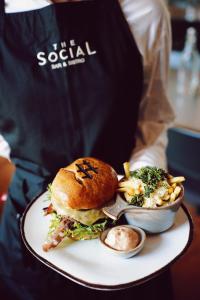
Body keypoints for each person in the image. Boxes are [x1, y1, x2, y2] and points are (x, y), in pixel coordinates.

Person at [0, 0, 175, 299]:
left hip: (128, 221)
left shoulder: (145, 10)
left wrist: (143, 189)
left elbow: (153, 119)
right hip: (30, 220)